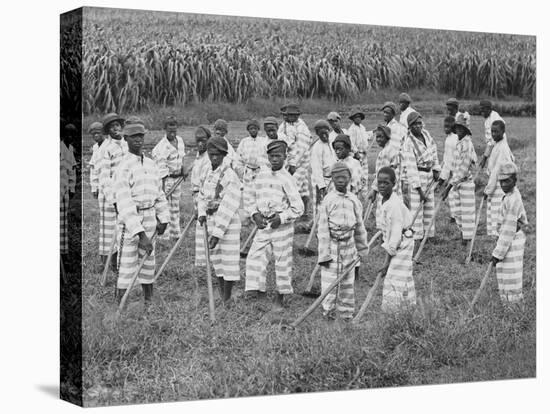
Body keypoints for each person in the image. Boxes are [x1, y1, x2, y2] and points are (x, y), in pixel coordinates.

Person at [113, 123, 169, 306]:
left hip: (150, 216)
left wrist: (164, 218)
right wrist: (140, 233)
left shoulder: (151, 164)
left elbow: (159, 193)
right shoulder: (123, 167)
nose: (138, 139)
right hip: (130, 223)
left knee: (148, 261)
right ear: (126, 139)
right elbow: (124, 203)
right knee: (127, 264)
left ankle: (149, 301)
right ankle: (121, 304)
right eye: (133, 136)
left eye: (141, 136)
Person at [244, 140, 304, 310]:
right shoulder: (261, 175)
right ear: (267, 157)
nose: (275, 159)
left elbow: (298, 207)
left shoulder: (287, 178)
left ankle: (280, 297)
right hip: (264, 224)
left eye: (278, 156)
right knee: (255, 257)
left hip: (281, 228)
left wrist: (283, 217)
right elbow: (250, 197)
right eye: (272, 156)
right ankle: (258, 293)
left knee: (282, 261)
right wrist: (255, 215)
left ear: (285, 157)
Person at [317, 162, 368, 320]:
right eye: (337, 177)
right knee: (330, 282)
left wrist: (362, 248)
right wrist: (324, 255)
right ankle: (328, 312)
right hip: (333, 245)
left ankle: (346, 314)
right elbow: (323, 231)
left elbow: (359, 226)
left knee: (347, 282)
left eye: (344, 177)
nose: (341, 180)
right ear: (332, 179)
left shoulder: (354, 200)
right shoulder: (328, 200)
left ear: (349, 179)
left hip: (349, 246)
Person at [197, 136, 242, 304]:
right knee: (217, 260)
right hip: (210, 219)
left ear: (224, 155)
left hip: (227, 223)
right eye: (211, 154)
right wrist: (201, 212)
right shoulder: (207, 171)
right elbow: (201, 195)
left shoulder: (230, 175)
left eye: (218, 154)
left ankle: (227, 297)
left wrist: (217, 234)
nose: (214, 157)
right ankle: (221, 293)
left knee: (229, 260)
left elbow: (228, 206)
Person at [376, 166, 416, 311]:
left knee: (393, 277)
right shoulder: (385, 201)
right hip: (399, 240)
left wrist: (386, 261)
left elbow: (395, 235)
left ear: (394, 184)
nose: (382, 185)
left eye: (386, 183)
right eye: (379, 182)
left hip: (403, 242)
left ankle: (391, 313)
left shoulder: (394, 205)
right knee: (403, 275)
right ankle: (408, 309)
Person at [490, 162, 527, 304]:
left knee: (511, 274)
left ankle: (514, 306)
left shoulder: (514, 199)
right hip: (507, 239)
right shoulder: (509, 195)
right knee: (504, 271)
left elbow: (508, 229)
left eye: (507, 181)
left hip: (512, 239)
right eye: (501, 181)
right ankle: (506, 302)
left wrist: (497, 253)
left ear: (515, 180)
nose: (503, 185)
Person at [402, 111, 441, 244]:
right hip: (418, 177)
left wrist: (436, 168)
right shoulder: (408, 143)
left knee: (429, 205)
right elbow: (411, 168)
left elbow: (434, 151)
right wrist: (419, 190)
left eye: (420, 123)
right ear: (410, 126)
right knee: (417, 209)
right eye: (415, 124)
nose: (418, 126)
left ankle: (428, 235)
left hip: (429, 175)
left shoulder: (427, 135)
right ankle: (417, 237)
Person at [98, 113, 127, 267]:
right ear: (108, 131)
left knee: (123, 226)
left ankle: (122, 260)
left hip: (124, 192)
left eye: (117, 125)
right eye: (111, 127)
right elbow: (104, 177)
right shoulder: (105, 148)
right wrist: (113, 199)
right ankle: (109, 261)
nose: (115, 129)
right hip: (109, 194)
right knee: (110, 229)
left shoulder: (126, 144)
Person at [152, 116, 187, 241]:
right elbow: (160, 171)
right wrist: (161, 191)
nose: (172, 133)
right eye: (170, 131)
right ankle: (163, 237)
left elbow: (182, 158)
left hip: (177, 180)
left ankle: (175, 234)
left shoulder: (180, 141)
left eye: (174, 130)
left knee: (175, 207)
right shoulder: (161, 147)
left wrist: (183, 170)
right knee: (164, 208)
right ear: (165, 130)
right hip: (166, 180)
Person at [445, 114, 477, 248]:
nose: (458, 130)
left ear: (465, 130)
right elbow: (454, 164)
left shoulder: (467, 144)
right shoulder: (458, 143)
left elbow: (463, 168)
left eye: (461, 128)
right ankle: (463, 233)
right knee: (456, 210)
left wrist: (449, 186)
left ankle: (467, 239)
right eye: (457, 128)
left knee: (467, 212)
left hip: (465, 182)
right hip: (456, 182)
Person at [278, 103, 312, 219]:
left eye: (291, 115)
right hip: (288, 159)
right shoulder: (283, 126)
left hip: (301, 161)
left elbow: (301, 148)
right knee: (303, 187)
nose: (287, 117)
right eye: (286, 115)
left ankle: (294, 213)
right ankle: (304, 213)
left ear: (296, 116)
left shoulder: (301, 127)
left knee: (292, 186)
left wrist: (293, 164)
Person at [484, 120, 515, 237]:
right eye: (492, 131)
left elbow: (496, 172)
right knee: (494, 213)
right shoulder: (499, 144)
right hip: (496, 183)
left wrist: (488, 190)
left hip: (499, 185)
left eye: (496, 132)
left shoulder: (502, 148)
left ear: (503, 132)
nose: (493, 134)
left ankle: (499, 241)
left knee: (497, 214)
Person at [367, 125, 400, 230]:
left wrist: (374, 189)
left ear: (387, 137)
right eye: (377, 137)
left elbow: (382, 174)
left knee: (384, 211)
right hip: (391, 186)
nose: (378, 140)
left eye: (381, 137)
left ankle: (384, 237)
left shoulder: (386, 152)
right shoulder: (389, 149)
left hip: (385, 187)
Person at [191, 126, 213, 268]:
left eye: (203, 141)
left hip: (203, 197)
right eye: (198, 141)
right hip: (196, 195)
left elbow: (205, 185)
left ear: (208, 141)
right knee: (200, 231)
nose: (200, 144)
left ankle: (205, 265)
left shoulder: (208, 159)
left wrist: (200, 206)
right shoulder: (198, 157)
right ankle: (201, 264)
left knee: (205, 229)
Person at [236, 119, 268, 212]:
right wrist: (241, 171)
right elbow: (238, 158)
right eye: (251, 129)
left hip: (260, 171)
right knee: (247, 193)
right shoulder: (244, 142)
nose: (253, 130)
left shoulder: (263, 141)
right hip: (248, 172)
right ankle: (248, 214)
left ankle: (260, 212)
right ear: (248, 130)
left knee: (259, 193)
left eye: (255, 128)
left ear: (258, 129)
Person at [310, 119, 337, 216]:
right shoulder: (317, 147)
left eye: (326, 133)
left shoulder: (332, 142)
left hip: (332, 179)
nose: (324, 136)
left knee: (332, 204)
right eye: (321, 134)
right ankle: (318, 227)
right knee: (320, 206)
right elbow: (316, 169)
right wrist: (321, 187)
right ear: (317, 134)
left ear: (329, 131)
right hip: (322, 181)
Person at [439, 116, 459, 223]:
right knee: (452, 194)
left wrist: (444, 176)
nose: (445, 128)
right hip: (450, 169)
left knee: (454, 193)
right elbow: (446, 159)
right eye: (444, 126)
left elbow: (451, 159)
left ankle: (455, 217)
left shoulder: (454, 139)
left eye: (448, 126)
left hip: (455, 170)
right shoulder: (448, 138)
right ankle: (454, 215)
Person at [479, 100, 505, 169]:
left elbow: (492, 141)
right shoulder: (487, 120)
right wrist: (485, 157)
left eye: (483, 110)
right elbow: (489, 142)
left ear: (489, 109)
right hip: (495, 148)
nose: (481, 113)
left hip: (500, 148)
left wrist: (484, 158)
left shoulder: (495, 119)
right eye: (480, 111)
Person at [88, 121, 105, 200]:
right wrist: (94, 187)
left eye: (98, 133)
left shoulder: (109, 145)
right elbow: (93, 168)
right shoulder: (95, 147)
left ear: (103, 132)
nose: (96, 135)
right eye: (93, 134)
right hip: (99, 182)